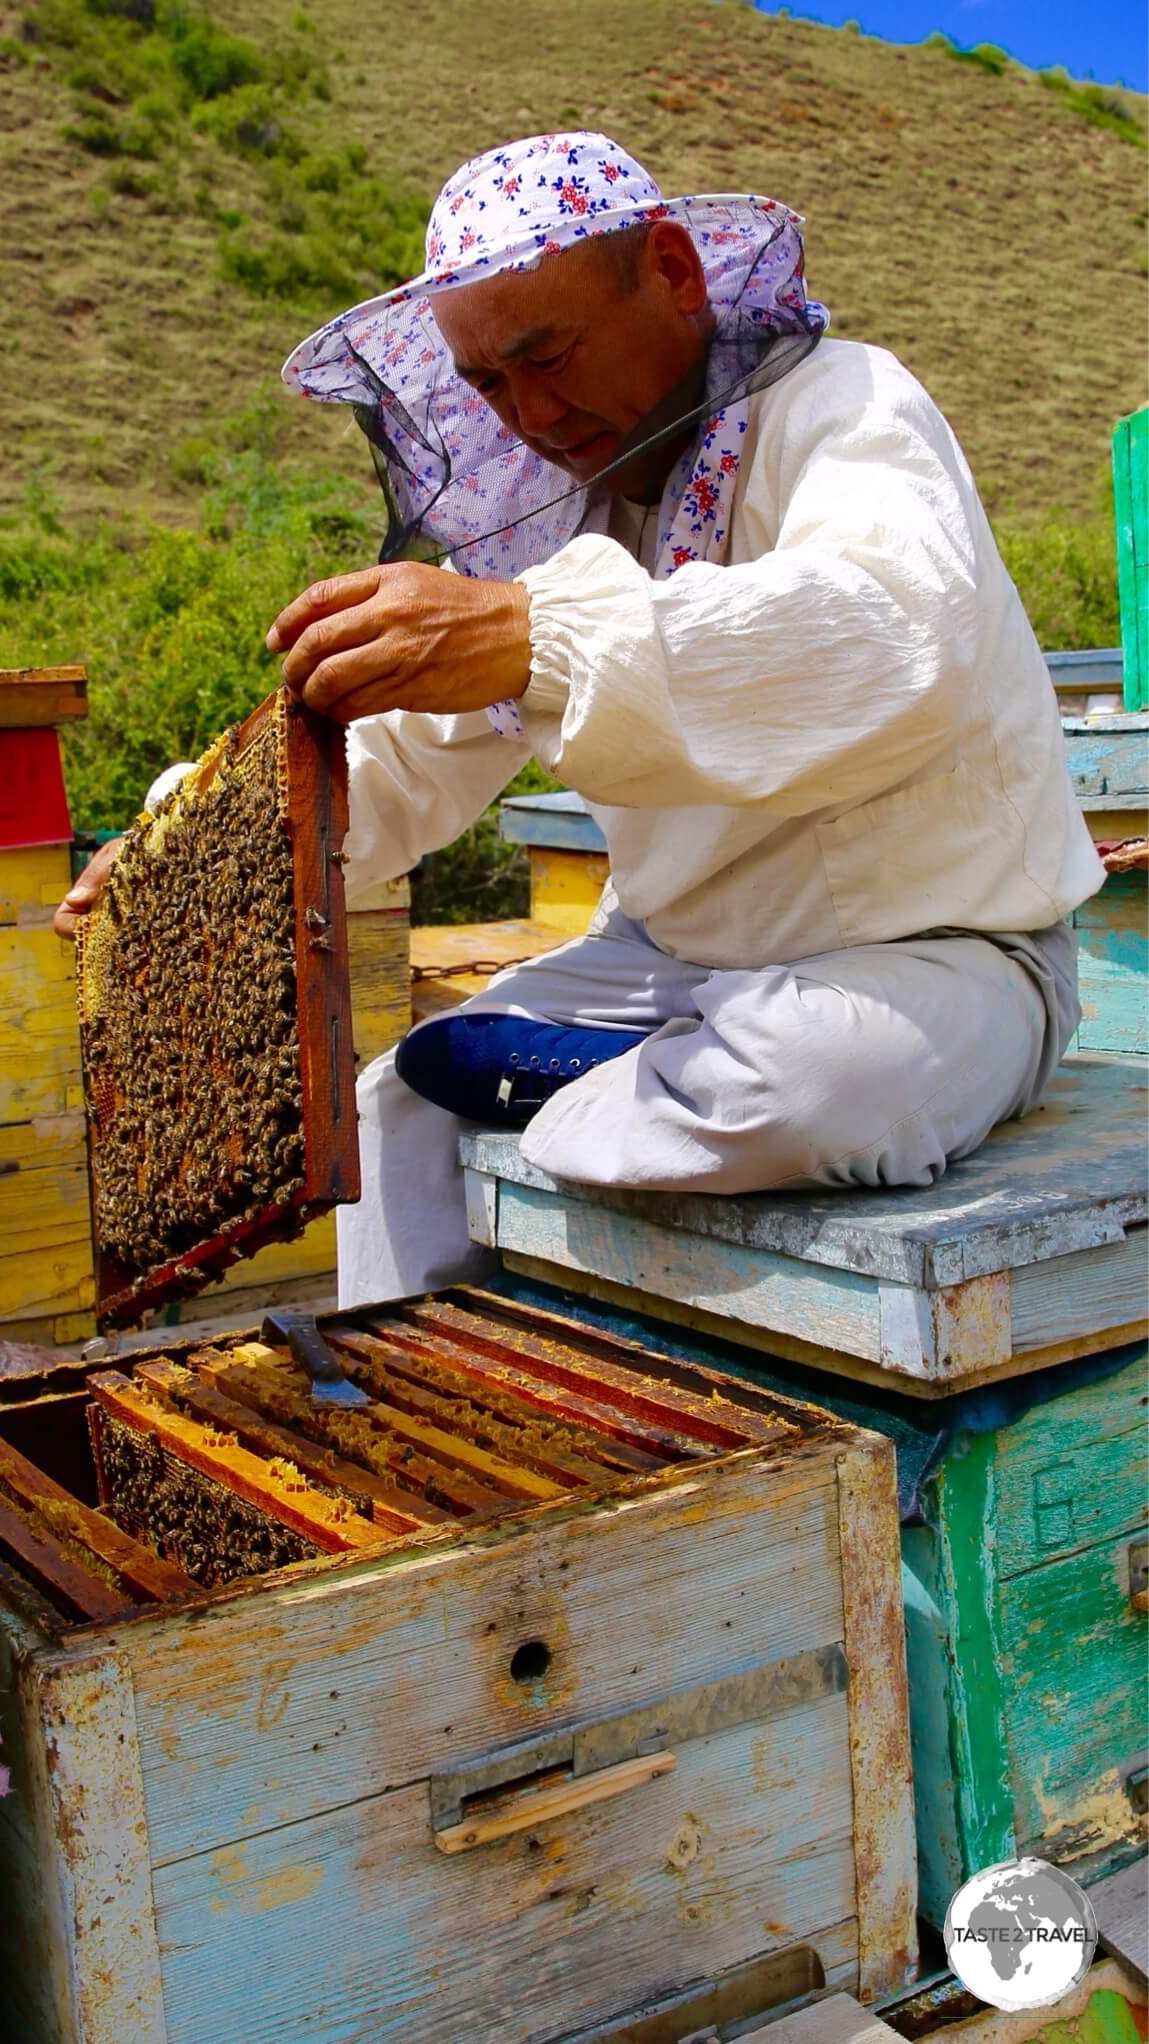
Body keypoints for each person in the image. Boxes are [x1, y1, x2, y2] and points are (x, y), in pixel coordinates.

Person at [58, 132, 1104, 1312]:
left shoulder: (850, 407)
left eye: (546, 355)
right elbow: (403, 759)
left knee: (804, 1082)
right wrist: (193, 849)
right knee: (394, 1105)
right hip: (664, 968)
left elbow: (894, 631)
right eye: (489, 386)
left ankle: (593, 1094)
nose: (532, 415)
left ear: (671, 270)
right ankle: (402, 1415)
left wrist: (529, 635)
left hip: (945, 952)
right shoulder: (566, 513)